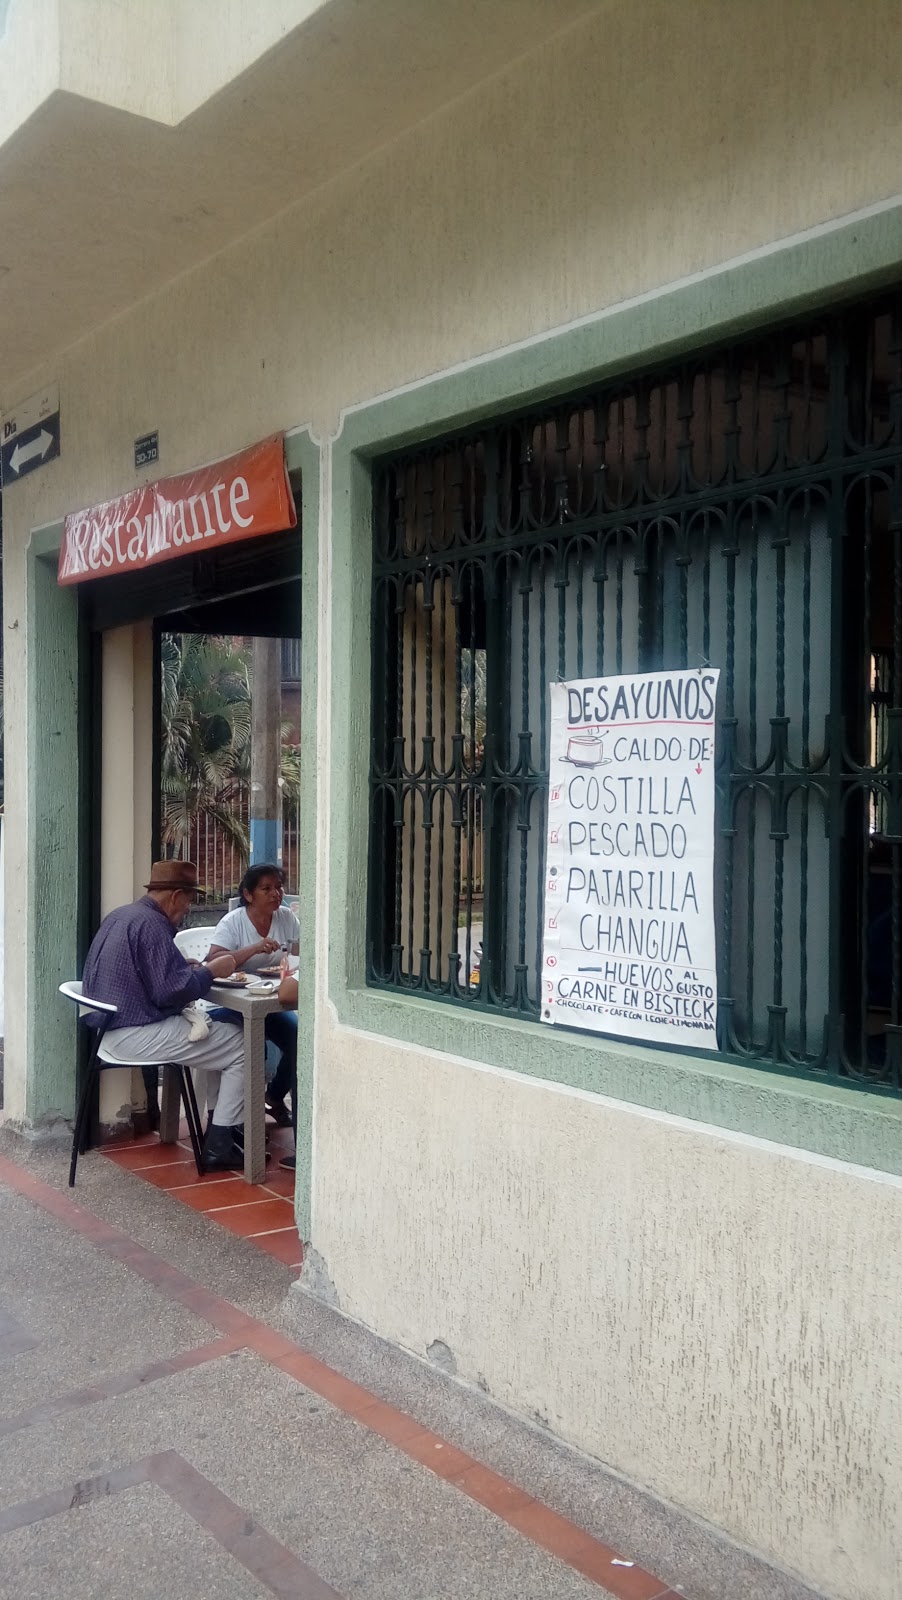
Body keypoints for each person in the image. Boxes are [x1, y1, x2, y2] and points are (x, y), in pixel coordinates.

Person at [81, 860, 250, 1172]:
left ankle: (221, 1128)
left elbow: (151, 975)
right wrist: (213, 970)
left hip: (107, 1031)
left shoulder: (123, 915)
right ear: (175, 896)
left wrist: (179, 966)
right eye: (188, 900)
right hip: (133, 1034)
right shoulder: (153, 925)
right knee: (242, 1044)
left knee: (224, 1037)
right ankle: (220, 1144)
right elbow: (171, 993)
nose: (187, 908)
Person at [205, 863, 298, 1128]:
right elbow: (213, 960)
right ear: (248, 895)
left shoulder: (286, 918)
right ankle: (246, 1123)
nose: (275, 894)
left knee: (298, 1040)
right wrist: (254, 948)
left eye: (278, 887)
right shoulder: (233, 922)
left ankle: (275, 1097)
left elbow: (300, 952)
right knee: (254, 1050)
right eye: (266, 888)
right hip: (232, 1005)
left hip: (268, 1001)